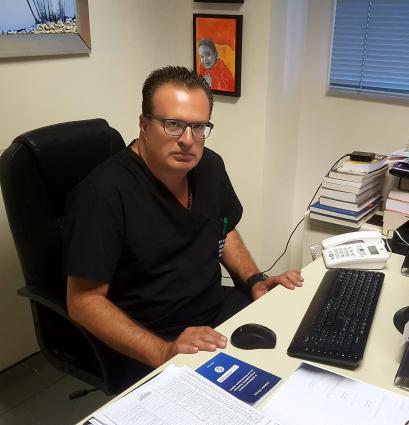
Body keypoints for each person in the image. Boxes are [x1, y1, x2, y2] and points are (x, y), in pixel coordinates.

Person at [64, 66, 303, 385]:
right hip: (153, 336)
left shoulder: (210, 166)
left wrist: (254, 281)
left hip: (214, 311)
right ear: (144, 125)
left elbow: (223, 228)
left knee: (296, 350)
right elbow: (83, 302)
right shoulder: (104, 194)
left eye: (199, 127)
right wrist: (163, 351)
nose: (188, 140)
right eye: (173, 125)